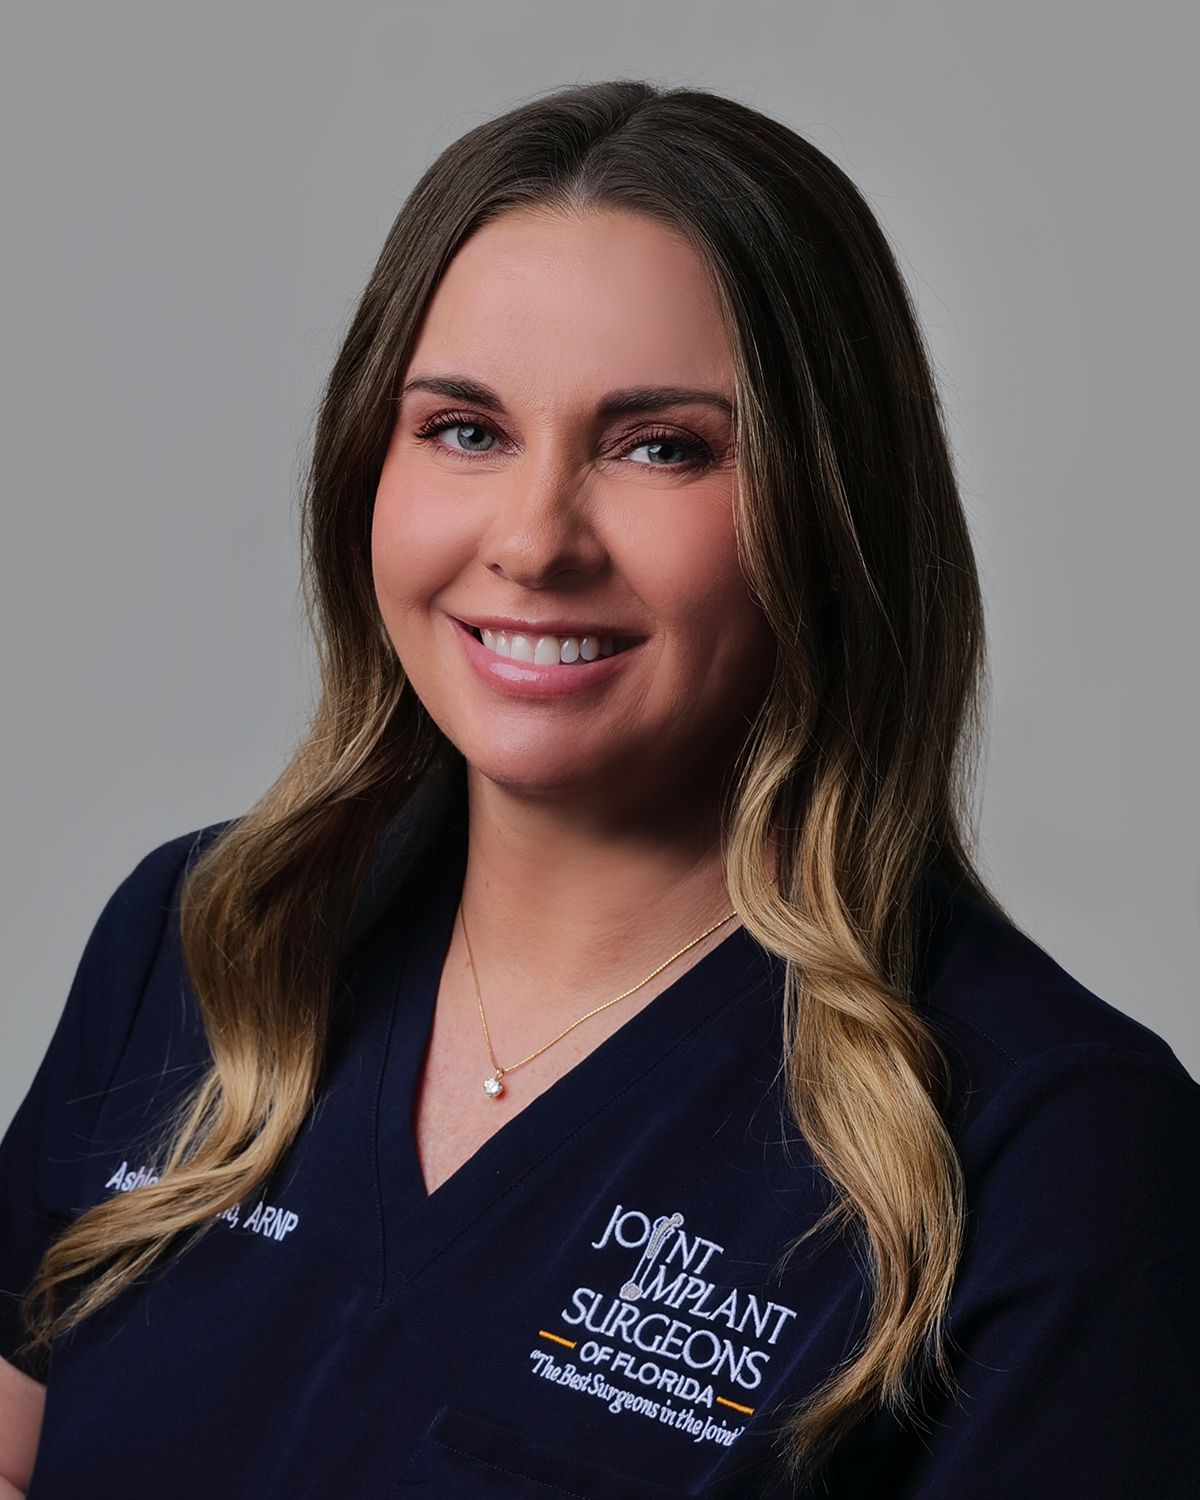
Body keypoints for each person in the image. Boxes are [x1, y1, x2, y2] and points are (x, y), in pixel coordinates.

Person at [1, 78, 1197, 1499]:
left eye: (661, 447)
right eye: (465, 429)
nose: (534, 541)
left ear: (833, 515)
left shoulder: (1054, 1152)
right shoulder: (209, 938)